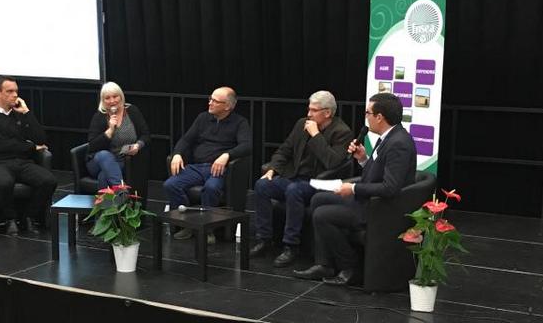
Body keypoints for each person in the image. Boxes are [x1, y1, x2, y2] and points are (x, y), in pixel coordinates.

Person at [293, 92, 417, 286]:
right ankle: (324, 263)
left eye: (368, 112)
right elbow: (378, 173)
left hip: (380, 208)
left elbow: (390, 187)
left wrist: (353, 188)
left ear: (379, 117)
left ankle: (350, 267)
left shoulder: (398, 144)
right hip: (370, 199)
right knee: (318, 199)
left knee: (322, 215)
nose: (365, 116)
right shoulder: (388, 137)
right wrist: (363, 159)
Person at [251, 91, 352, 267]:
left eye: (314, 110)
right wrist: (273, 169)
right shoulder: (301, 125)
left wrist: (316, 135)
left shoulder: (342, 132)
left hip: (318, 182)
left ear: (327, 113)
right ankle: (264, 239)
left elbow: (332, 162)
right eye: (309, 109)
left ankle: (291, 246)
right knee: (262, 185)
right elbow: (285, 150)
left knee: (294, 190)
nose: (309, 114)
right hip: (293, 176)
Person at [164, 86, 251, 242]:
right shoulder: (203, 118)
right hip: (197, 167)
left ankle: (208, 229)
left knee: (211, 188)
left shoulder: (240, 122)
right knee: (171, 184)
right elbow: (186, 140)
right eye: (210, 99)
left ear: (227, 106)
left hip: (218, 169)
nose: (210, 103)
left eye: (215, 101)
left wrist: (227, 155)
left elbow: (246, 145)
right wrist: (177, 154)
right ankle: (188, 225)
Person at [0, 76, 58, 235]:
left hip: (23, 162)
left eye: (16, 91)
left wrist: (27, 113)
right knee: (3, 183)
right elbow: (0, 145)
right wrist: (31, 147)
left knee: (49, 181)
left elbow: (41, 138)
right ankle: (9, 219)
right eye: (10, 91)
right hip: (0, 162)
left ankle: (28, 216)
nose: (15, 95)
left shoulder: (19, 114)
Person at [86, 82, 150, 190]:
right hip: (97, 161)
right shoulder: (99, 116)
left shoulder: (132, 111)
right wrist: (110, 131)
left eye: (115, 96)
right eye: (107, 98)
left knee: (104, 176)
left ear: (121, 97)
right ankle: (122, 190)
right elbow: (92, 146)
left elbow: (146, 135)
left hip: (122, 160)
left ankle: (109, 205)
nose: (112, 101)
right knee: (104, 154)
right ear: (103, 100)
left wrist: (138, 145)